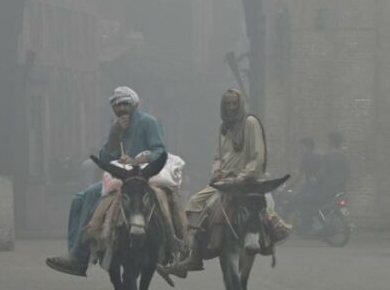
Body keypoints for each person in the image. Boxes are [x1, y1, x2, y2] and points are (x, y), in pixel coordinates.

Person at [46, 86, 165, 277]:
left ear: (133, 104)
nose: (121, 109)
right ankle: (78, 254)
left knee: (167, 203)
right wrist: (114, 135)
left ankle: (175, 247)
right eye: (117, 106)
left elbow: (159, 151)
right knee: (79, 199)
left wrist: (137, 160)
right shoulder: (116, 126)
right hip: (120, 176)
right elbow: (105, 157)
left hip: (143, 176)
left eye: (125, 104)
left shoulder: (148, 122)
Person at [159, 89, 266, 279]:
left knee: (215, 206)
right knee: (194, 202)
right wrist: (216, 171)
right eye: (227, 104)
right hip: (224, 181)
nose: (231, 107)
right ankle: (191, 255)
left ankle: (264, 237)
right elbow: (218, 156)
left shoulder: (250, 123)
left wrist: (241, 177)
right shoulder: (223, 127)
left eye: (234, 104)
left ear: (240, 104)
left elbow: (257, 158)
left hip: (245, 181)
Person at [319, 131, 350, 198]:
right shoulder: (344, 158)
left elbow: (322, 174)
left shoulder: (325, 157)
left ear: (330, 143)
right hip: (341, 190)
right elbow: (347, 173)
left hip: (328, 191)